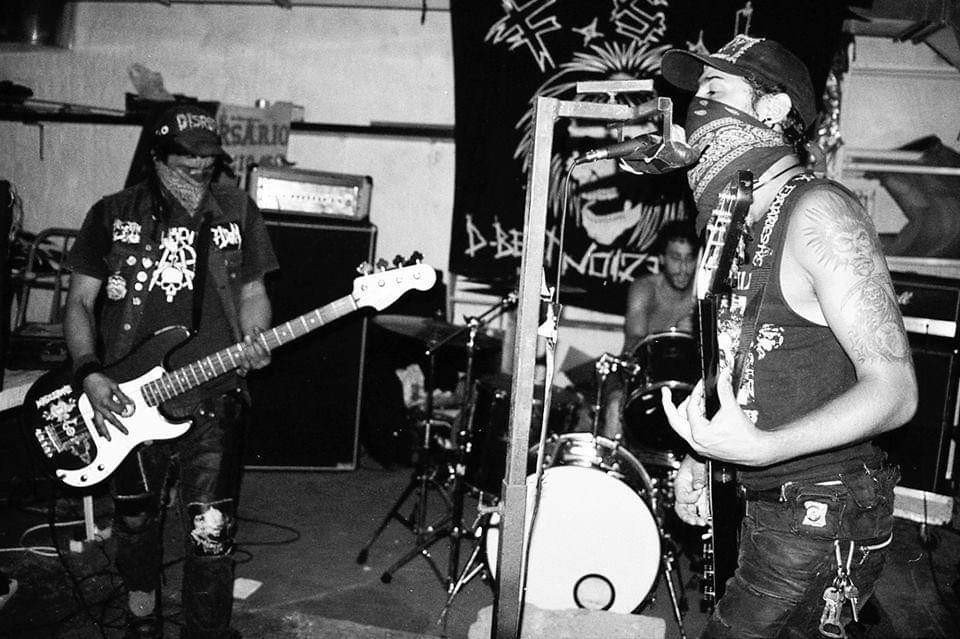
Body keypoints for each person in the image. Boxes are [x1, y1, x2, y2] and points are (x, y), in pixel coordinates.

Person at [658, 35, 917, 638]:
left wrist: (765, 448)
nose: (696, 111)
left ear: (772, 109)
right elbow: (746, 361)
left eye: (713, 91)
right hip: (770, 502)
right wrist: (706, 453)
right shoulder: (738, 222)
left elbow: (896, 391)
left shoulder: (820, 213)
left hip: (820, 509)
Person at [63, 103, 278, 639]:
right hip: (130, 399)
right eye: (186, 161)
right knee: (135, 524)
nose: (200, 169)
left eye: (208, 159)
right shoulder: (113, 214)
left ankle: (205, 632)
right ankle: (142, 617)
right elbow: (80, 303)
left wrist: (256, 336)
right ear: (157, 157)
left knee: (210, 533)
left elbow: (253, 290)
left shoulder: (237, 211)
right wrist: (89, 372)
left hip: (214, 393)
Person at [601, 219, 698, 440]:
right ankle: (609, 459)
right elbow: (632, 344)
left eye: (689, 258)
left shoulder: (702, 294)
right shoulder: (645, 289)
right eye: (676, 258)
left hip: (686, 378)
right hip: (637, 373)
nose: (683, 269)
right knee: (615, 406)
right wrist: (674, 336)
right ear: (662, 258)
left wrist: (698, 334)